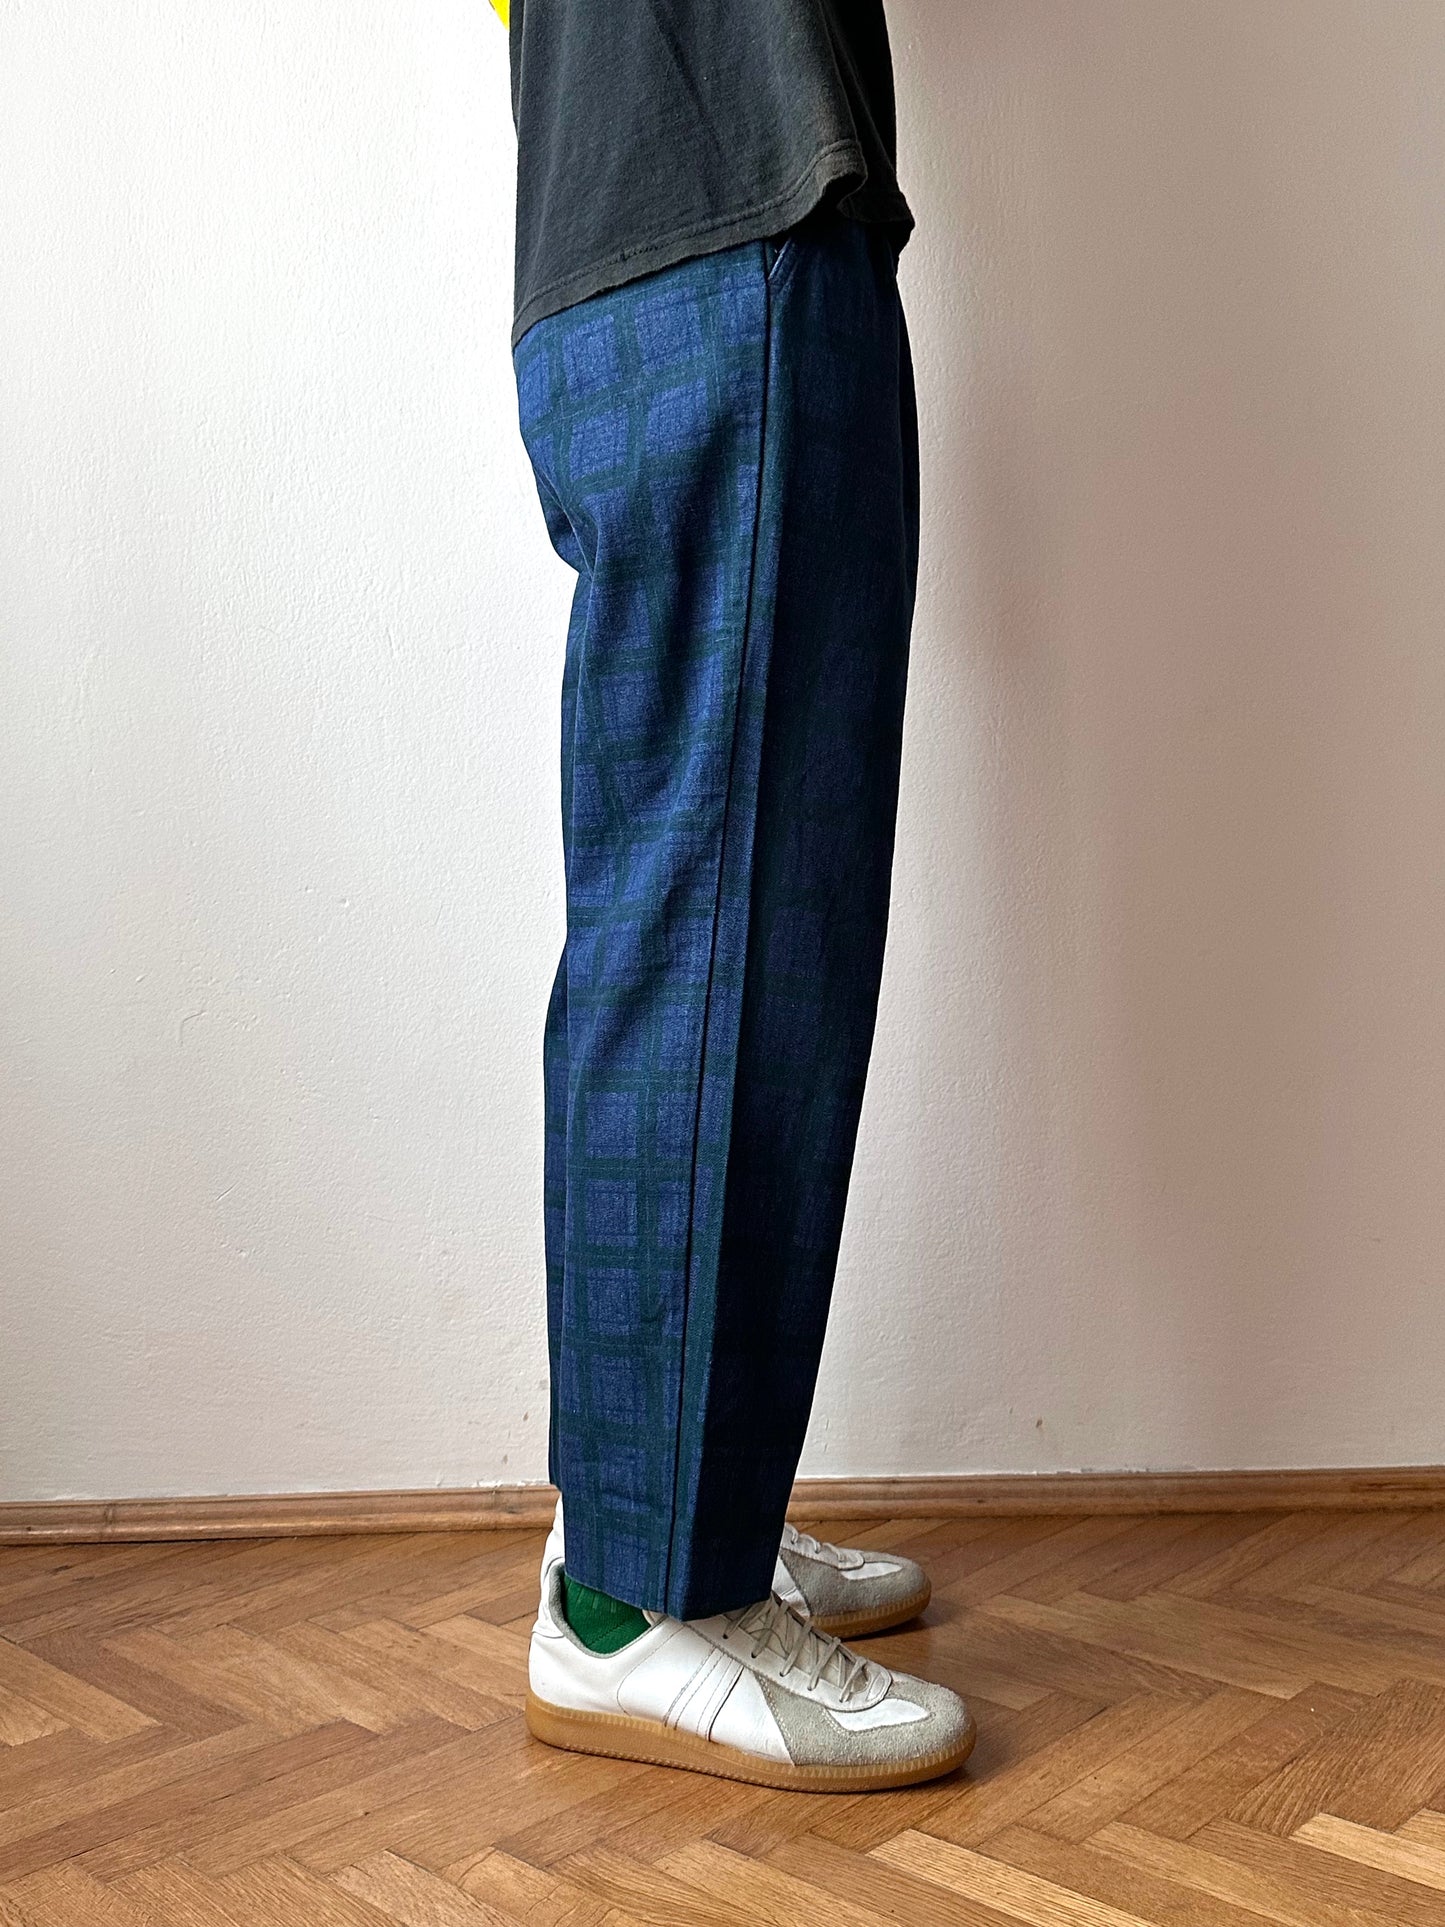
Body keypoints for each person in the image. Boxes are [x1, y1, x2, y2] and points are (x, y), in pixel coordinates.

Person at [494, 0, 974, 1791]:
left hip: (648, 252)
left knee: (696, 922)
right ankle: (644, 1602)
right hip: (727, 228)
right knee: (727, 942)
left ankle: (658, 1513)